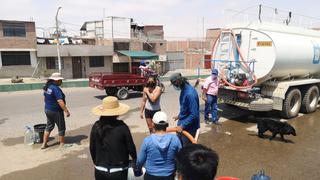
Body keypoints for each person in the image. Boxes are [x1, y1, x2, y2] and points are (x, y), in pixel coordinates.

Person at [90, 96, 137, 180]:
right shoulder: (122, 127)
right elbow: (131, 148)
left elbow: (92, 148)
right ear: (117, 112)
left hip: (100, 171)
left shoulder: (96, 126)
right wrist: (135, 160)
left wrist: (97, 163)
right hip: (119, 171)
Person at [136, 111, 182, 180]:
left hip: (150, 176)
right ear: (167, 124)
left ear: (153, 124)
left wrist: (138, 169)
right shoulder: (175, 139)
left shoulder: (147, 140)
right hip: (169, 175)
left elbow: (140, 161)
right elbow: (181, 157)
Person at [169, 72, 200, 146]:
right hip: (181, 125)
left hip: (189, 128)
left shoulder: (190, 94)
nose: (175, 86)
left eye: (174, 84)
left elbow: (194, 114)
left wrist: (182, 126)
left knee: (186, 151)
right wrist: (179, 115)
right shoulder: (184, 90)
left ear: (178, 82)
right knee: (180, 147)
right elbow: (184, 106)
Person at [41, 72, 70, 149]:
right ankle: (62, 144)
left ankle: (44, 144)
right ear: (56, 80)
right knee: (61, 127)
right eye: (60, 80)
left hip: (47, 109)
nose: (61, 81)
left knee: (49, 126)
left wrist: (49, 105)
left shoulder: (47, 86)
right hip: (56, 111)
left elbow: (45, 98)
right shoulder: (55, 88)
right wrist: (66, 111)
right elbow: (60, 101)